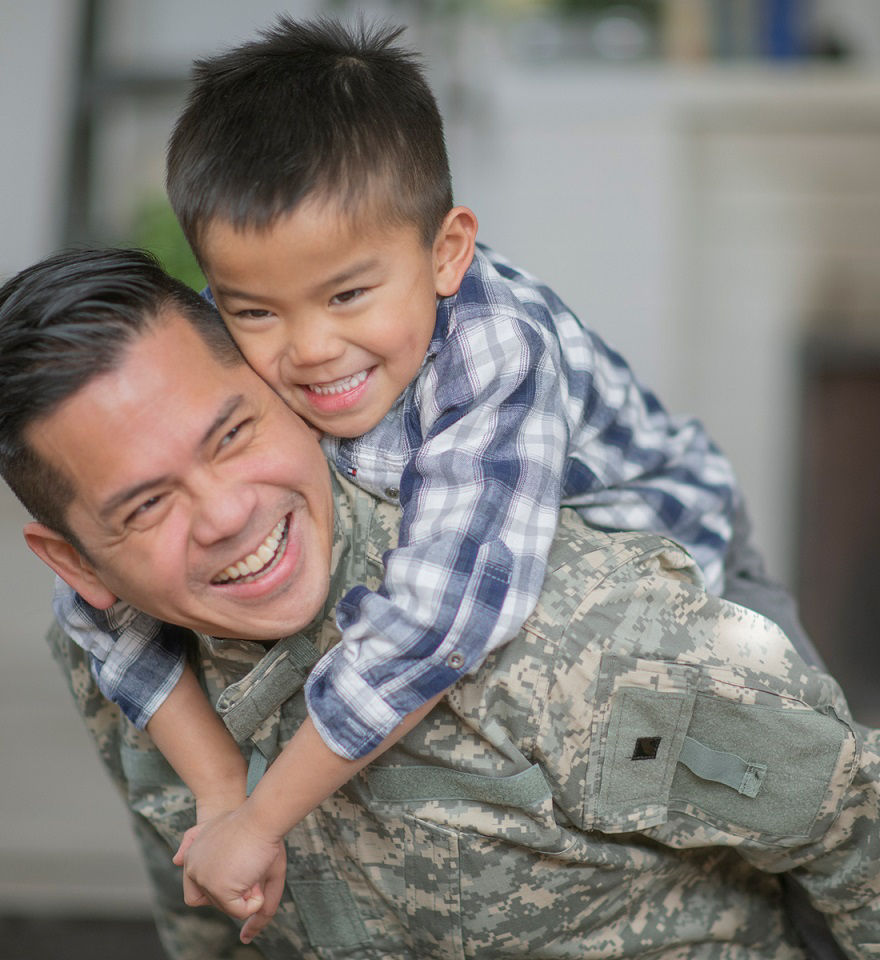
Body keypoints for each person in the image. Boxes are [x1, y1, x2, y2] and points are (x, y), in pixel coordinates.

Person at [51, 15, 824, 922]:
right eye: (256, 310)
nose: (308, 349)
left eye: (347, 295)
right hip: (492, 573)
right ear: (218, 290)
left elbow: (440, 620)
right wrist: (220, 792)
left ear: (447, 251)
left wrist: (262, 817)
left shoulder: (496, 352)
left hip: (691, 563)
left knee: (803, 799)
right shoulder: (244, 347)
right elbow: (97, 595)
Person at [0, 248, 874, 958]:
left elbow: (853, 826)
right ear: (75, 564)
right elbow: (207, 913)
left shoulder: (563, 619)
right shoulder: (115, 662)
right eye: (146, 505)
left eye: (231, 436)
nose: (225, 515)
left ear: (286, 386)